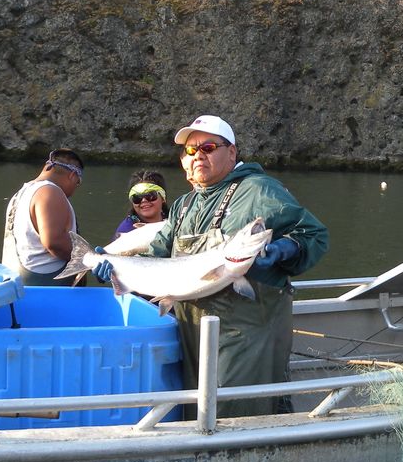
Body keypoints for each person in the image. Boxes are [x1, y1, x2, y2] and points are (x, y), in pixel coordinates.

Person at [96, 115, 329, 417]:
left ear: (231, 152)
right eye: (190, 151)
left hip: (246, 335)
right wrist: (115, 270)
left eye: (207, 147)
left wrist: (286, 249)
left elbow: (313, 235)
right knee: (196, 413)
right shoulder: (184, 205)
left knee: (236, 414)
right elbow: (155, 256)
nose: (198, 156)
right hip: (192, 332)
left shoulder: (259, 190)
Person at [1, 149, 85, 286]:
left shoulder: (20, 194)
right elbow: (54, 242)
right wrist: (89, 258)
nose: (75, 190)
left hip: (17, 284)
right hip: (47, 290)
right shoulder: (50, 192)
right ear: (73, 175)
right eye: (78, 183)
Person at [112, 170, 169, 240]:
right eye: (137, 198)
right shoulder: (126, 230)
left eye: (150, 195)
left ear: (163, 198)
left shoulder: (176, 220)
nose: (144, 200)